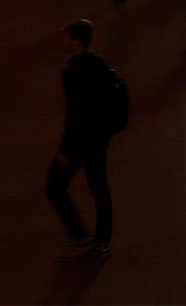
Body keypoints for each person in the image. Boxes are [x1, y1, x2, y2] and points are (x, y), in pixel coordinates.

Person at [45, 20, 114, 260]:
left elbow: (74, 114)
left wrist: (64, 150)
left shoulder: (73, 71)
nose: (63, 41)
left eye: (66, 38)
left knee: (54, 186)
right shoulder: (99, 62)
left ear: (75, 40)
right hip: (99, 136)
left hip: (79, 141)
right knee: (99, 189)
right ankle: (102, 242)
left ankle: (78, 238)